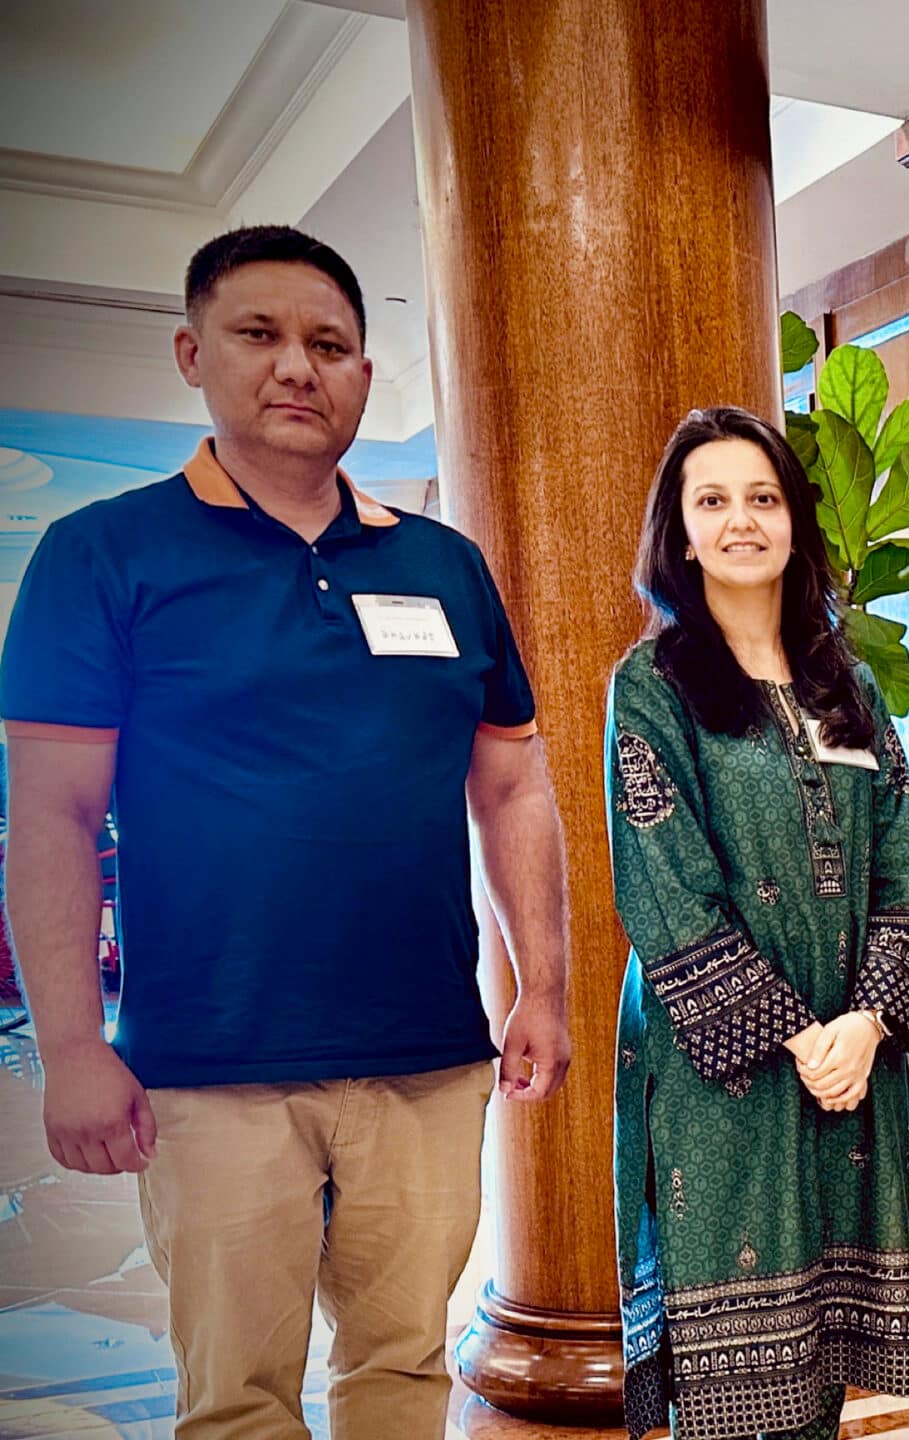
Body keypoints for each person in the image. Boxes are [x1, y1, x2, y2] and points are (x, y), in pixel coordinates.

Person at [0, 224, 572, 1439]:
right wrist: (71, 1047)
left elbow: (514, 784)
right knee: (237, 1404)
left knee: (403, 1371)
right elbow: (52, 814)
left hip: (426, 1055)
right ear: (192, 353)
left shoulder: (444, 565)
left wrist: (544, 985)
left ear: (364, 371)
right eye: (259, 334)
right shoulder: (101, 555)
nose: (297, 366)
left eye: (329, 343)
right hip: (211, 1065)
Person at [606, 406, 909, 1439]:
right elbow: (667, 889)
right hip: (726, 1078)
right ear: (679, 531)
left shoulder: (851, 683)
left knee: (820, 1373)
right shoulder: (653, 687)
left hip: (851, 1065)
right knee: (731, 1388)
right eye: (712, 501)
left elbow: (898, 866)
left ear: (795, 520)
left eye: (762, 497)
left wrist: (866, 1027)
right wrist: (800, 1038)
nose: (740, 520)